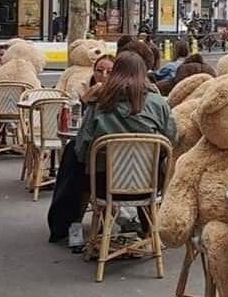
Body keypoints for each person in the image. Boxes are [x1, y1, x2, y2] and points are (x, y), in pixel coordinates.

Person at [48, 52, 177, 243]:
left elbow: (83, 149)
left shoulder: (100, 103)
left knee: (76, 161)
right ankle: (148, 228)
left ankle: (70, 225)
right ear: (143, 74)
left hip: (103, 184)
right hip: (147, 185)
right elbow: (171, 140)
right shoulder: (159, 104)